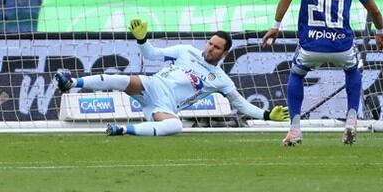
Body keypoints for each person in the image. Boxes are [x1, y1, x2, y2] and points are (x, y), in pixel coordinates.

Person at [261, 0, 383, 146]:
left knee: (297, 74)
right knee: (353, 69)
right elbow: (374, 10)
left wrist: (276, 25)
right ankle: (351, 119)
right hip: (341, 44)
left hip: (310, 44)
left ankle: (294, 129)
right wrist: (379, 32)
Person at [55, 18, 289, 137]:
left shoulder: (221, 79)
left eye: (216, 47)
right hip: (153, 85)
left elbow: (241, 104)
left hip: (164, 106)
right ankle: (71, 83)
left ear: (224, 53)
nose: (209, 49)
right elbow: (153, 54)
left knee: (176, 126)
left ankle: (122, 130)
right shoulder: (186, 51)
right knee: (122, 80)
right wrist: (142, 39)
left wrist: (267, 115)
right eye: (209, 43)